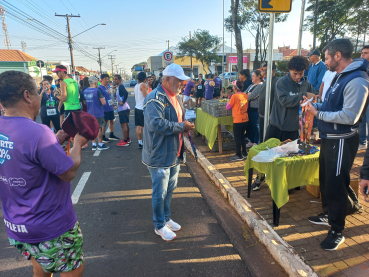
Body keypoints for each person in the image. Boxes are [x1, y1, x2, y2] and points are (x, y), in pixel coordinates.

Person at [0, 70, 87, 276]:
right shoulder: (38, 132)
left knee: (40, 262)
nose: (40, 96)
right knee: (74, 268)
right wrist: (78, 144)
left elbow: (20, 157)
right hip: (50, 226)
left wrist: (54, 142)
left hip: (16, 226)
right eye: (37, 92)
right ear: (27, 96)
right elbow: (68, 172)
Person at [306, 39, 369, 251]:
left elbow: (350, 116)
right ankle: (329, 214)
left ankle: (337, 229)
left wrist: (318, 113)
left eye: (327, 58)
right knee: (325, 180)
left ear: (338, 56)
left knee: (335, 183)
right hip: (330, 138)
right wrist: (315, 105)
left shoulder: (358, 80)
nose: (325, 62)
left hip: (342, 140)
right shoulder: (340, 77)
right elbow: (333, 104)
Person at [142, 63, 195, 241]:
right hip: (159, 155)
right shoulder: (154, 98)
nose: (182, 84)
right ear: (167, 79)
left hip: (173, 152)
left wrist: (185, 127)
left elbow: (178, 118)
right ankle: (159, 225)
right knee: (160, 192)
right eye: (179, 81)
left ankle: (165, 218)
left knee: (170, 189)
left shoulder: (175, 96)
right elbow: (154, 124)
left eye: (182, 81)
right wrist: (181, 126)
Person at [265, 56, 316, 141]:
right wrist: (304, 94)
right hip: (277, 126)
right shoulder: (282, 82)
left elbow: (314, 96)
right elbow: (284, 101)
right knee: (270, 152)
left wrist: (314, 98)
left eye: (301, 73)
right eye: (295, 74)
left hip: (294, 128)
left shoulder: (306, 84)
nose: (298, 76)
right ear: (289, 70)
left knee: (290, 153)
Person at [83, 76, 109, 151]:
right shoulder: (97, 91)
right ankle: (100, 144)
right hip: (98, 113)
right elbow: (103, 103)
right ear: (95, 82)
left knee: (92, 129)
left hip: (89, 113)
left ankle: (94, 144)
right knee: (99, 129)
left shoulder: (85, 91)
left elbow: (85, 102)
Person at [226, 80, 248, 161]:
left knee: (237, 137)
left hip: (238, 120)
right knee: (242, 136)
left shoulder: (234, 96)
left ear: (235, 88)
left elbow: (227, 107)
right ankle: (244, 153)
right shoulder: (245, 95)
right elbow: (247, 106)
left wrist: (228, 102)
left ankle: (239, 154)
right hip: (245, 119)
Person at [259, 62, 279, 142]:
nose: (264, 72)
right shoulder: (265, 82)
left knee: (269, 141)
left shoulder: (277, 82)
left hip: (271, 118)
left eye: (266, 70)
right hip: (262, 116)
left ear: (273, 70)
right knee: (262, 139)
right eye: (263, 70)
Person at [99, 73, 120, 143]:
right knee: (104, 122)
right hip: (104, 108)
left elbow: (109, 97)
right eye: (105, 79)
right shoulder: (100, 88)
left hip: (110, 107)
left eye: (108, 79)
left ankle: (111, 134)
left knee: (112, 121)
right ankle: (103, 136)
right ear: (101, 80)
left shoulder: (108, 87)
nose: (107, 80)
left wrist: (114, 105)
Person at [245, 70, 264, 146]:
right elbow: (244, 94)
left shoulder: (260, 85)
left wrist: (248, 95)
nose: (251, 77)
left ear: (258, 76)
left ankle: (256, 142)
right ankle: (251, 140)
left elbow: (251, 96)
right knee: (250, 125)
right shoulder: (251, 85)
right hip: (248, 108)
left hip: (255, 109)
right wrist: (247, 94)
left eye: (253, 76)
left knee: (256, 126)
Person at [113, 74, 131, 147]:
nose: (114, 80)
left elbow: (126, 93)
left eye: (116, 79)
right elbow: (115, 98)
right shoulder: (118, 87)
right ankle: (127, 139)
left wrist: (123, 102)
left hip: (123, 108)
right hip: (123, 108)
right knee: (125, 124)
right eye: (113, 79)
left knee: (123, 125)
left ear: (120, 80)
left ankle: (125, 140)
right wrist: (114, 90)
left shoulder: (120, 86)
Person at [358, 45, 369, 150]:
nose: (363, 55)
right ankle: (362, 142)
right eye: (362, 52)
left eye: (366, 53)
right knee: (361, 120)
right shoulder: (360, 67)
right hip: (363, 97)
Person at [134, 71, 148, 149]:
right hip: (143, 108)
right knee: (144, 126)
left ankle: (140, 142)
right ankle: (145, 142)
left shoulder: (136, 85)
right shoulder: (143, 85)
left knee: (138, 126)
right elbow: (146, 97)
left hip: (137, 107)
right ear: (145, 78)